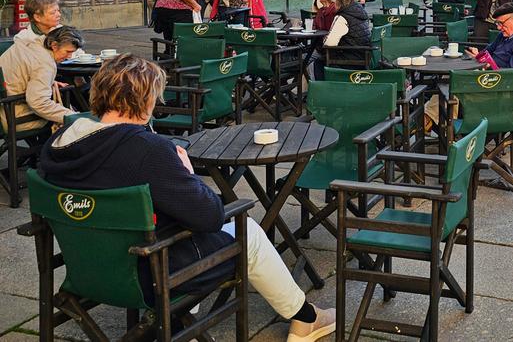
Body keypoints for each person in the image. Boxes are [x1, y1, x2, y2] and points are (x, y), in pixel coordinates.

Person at [38, 55, 336, 342]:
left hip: (86, 268)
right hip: (145, 275)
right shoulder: (147, 150)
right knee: (250, 232)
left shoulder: (58, 144)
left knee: (172, 225)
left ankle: (180, 327)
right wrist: (187, 173)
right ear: (145, 101)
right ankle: (306, 318)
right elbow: (208, 217)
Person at [0, 26, 83, 133]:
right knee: (68, 121)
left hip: (6, 107)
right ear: (54, 45)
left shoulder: (29, 43)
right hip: (13, 116)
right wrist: (72, 117)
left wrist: (50, 82)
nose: (69, 56)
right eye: (67, 51)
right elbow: (38, 103)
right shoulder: (45, 63)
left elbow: (22, 73)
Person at [466, 2, 513, 68]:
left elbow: (509, 74)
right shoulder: (502, 35)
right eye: (498, 23)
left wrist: (489, 66)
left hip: (497, 76)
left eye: (501, 23)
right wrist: (478, 55)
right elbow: (487, 51)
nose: (498, 28)